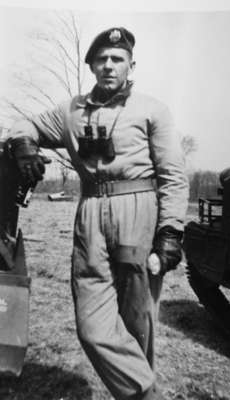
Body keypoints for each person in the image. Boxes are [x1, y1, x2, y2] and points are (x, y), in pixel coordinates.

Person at [7, 27, 189, 400]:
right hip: (90, 214)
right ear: (91, 65)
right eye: (102, 59)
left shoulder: (152, 109)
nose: (109, 66)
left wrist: (170, 231)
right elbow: (25, 124)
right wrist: (24, 144)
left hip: (137, 211)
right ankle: (148, 393)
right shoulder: (71, 111)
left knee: (138, 319)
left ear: (130, 65)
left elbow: (173, 175)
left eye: (117, 59)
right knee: (92, 327)